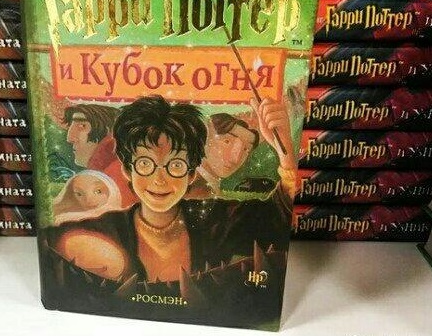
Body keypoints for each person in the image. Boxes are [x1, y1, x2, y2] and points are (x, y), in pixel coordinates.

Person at [47, 95, 295, 284]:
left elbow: (276, 217)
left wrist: (285, 153)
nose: (159, 179)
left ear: (191, 174)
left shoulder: (215, 220)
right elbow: (54, 244)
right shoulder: (106, 228)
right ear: (128, 170)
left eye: (175, 165)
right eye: (145, 164)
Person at [190, 97, 297, 199]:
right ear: (205, 135)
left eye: (246, 149)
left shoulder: (211, 188)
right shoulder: (194, 188)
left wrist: (284, 149)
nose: (235, 159)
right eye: (227, 142)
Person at [64, 103, 137, 207]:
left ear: (107, 131)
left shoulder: (115, 175)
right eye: (71, 126)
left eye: (81, 126)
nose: (70, 138)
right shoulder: (107, 169)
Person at [52, 170, 122, 226]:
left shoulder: (120, 217)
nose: (88, 200)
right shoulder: (65, 219)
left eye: (98, 191)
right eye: (79, 194)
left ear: (111, 190)